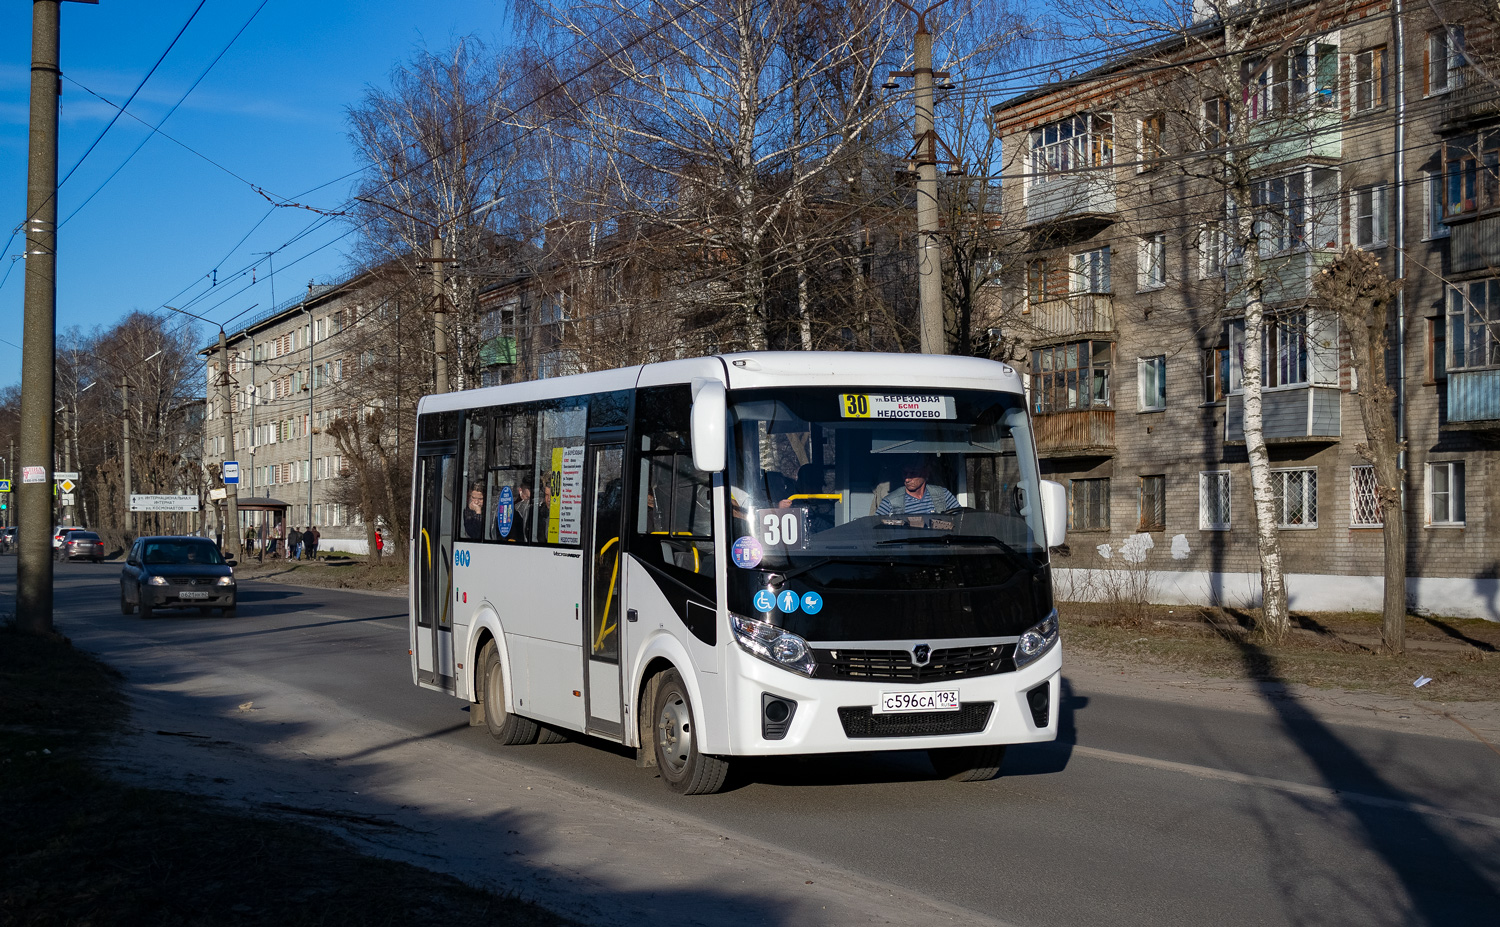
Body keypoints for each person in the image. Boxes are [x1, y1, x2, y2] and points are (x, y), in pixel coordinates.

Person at [876, 458, 958, 515]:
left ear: (925, 473)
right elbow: (877, 529)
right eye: (905, 473)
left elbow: (961, 519)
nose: (907, 479)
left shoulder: (942, 494)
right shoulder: (890, 502)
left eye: (912, 473)